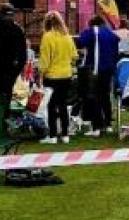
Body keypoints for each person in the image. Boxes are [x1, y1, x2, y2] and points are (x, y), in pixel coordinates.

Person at [75, 16, 121, 137]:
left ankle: (96, 128)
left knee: (93, 97)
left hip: (95, 69)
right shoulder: (111, 33)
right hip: (109, 69)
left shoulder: (93, 31)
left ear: (92, 24)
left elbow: (80, 42)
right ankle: (108, 124)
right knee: (105, 96)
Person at [38, 12, 77, 144]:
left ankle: (53, 135)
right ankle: (65, 134)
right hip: (66, 75)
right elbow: (74, 55)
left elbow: (44, 60)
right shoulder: (67, 36)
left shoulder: (47, 37)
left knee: (51, 106)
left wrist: (40, 74)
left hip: (52, 76)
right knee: (63, 105)